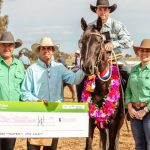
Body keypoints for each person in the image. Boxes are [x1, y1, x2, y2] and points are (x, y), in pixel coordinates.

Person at [21, 37, 85, 150]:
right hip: (37, 115)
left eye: (49, 48)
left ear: (52, 50)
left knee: (51, 148)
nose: (47, 50)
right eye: (44, 48)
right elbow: (24, 92)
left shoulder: (60, 68)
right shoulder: (32, 69)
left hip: (54, 115)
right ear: (39, 51)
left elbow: (74, 79)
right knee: (33, 148)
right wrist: (36, 100)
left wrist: (85, 68)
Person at [90, 0, 133, 72]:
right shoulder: (91, 27)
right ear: (96, 10)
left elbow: (129, 41)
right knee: (81, 76)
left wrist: (114, 44)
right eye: (100, 9)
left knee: (129, 73)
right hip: (95, 61)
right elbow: (81, 43)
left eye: (105, 9)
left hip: (116, 59)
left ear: (109, 10)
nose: (103, 12)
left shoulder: (117, 25)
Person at [0, 31, 25, 150]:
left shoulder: (20, 65)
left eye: (9, 45)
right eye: (3, 44)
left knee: (9, 148)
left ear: (14, 47)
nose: (6, 48)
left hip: (13, 117)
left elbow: (24, 89)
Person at [125, 39, 150, 150]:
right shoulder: (134, 70)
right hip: (134, 112)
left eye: (147, 51)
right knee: (139, 145)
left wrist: (145, 110)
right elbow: (128, 90)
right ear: (138, 52)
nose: (144, 53)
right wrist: (129, 106)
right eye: (142, 50)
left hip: (148, 112)